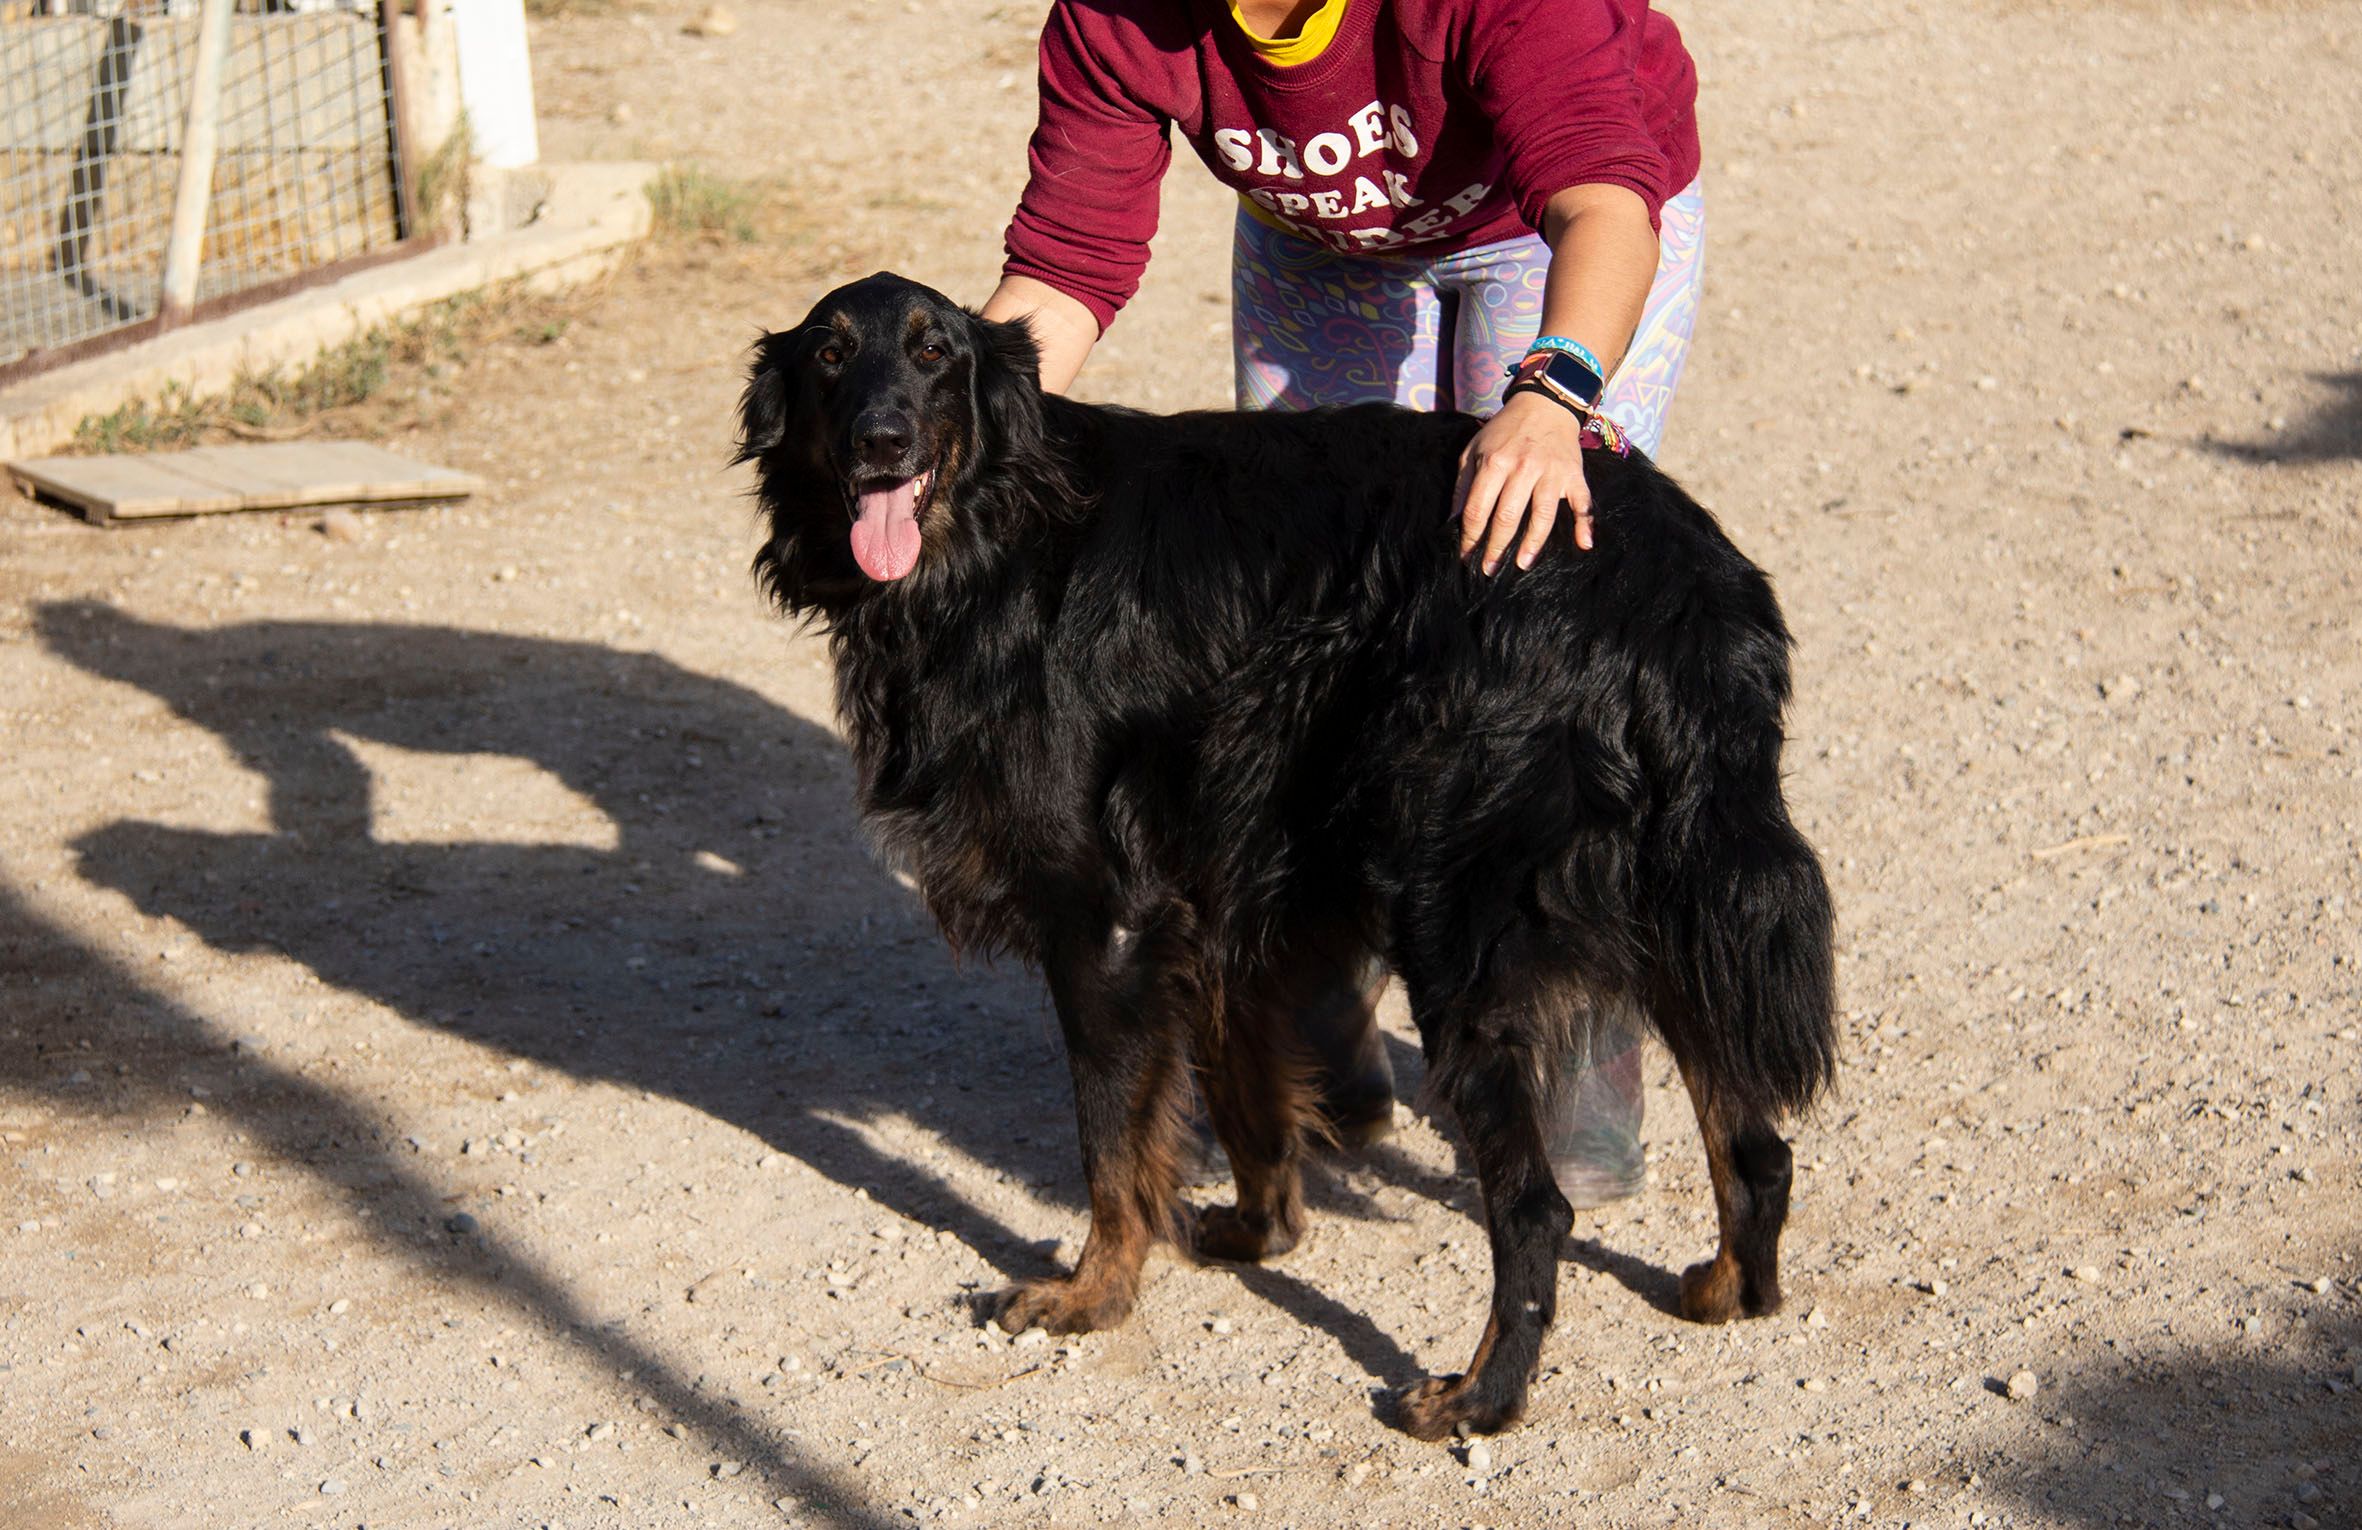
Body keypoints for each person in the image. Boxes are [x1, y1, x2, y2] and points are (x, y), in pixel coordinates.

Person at [979, 0, 1705, 1207]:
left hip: (1561, 230)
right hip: (1323, 250)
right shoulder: (1117, 15)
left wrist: (1553, 394)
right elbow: (1062, 268)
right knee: (1306, 637)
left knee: (1531, 616)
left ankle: (1575, 1020)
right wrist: (951, 447)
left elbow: (1600, 202)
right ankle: (1318, 987)